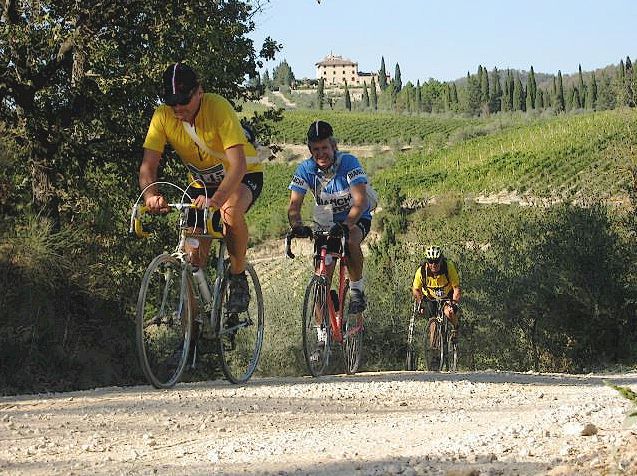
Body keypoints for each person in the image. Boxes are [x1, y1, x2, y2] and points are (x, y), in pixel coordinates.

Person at [139, 63, 263, 313]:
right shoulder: (163, 116)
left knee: (230, 212)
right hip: (201, 185)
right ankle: (194, 335)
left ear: (199, 92)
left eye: (183, 100)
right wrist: (151, 195)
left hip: (241, 176)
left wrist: (215, 202)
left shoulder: (217, 108)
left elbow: (237, 166)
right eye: (171, 102)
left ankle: (238, 276)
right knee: (192, 260)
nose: (178, 108)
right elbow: (148, 167)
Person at [287, 120, 372, 315]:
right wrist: (297, 225)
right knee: (321, 279)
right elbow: (294, 205)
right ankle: (321, 336)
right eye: (315, 149)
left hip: (356, 216)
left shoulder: (349, 162)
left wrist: (346, 224)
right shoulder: (305, 169)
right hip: (326, 221)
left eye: (324, 147)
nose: (320, 153)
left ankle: (357, 290)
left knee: (350, 241)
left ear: (334, 146)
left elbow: (360, 201)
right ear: (310, 150)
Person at [411, 246, 462, 351]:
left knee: (449, 312)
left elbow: (456, 288)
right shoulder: (421, 271)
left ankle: (456, 329)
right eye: (430, 261)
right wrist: (420, 302)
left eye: (436, 261)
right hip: (430, 297)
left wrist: (455, 302)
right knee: (433, 322)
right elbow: (416, 289)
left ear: (441, 260)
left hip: (447, 295)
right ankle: (433, 350)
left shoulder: (449, 267)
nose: (433, 264)